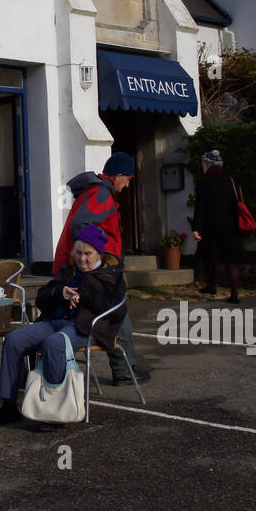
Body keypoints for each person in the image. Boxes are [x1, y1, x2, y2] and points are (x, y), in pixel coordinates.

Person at [0, 224, 128, 427]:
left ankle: (53, 410)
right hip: (55, 322)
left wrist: (85, 296)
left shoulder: (111, 274)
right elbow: (42, 298)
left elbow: (117, 311)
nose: (82, 259)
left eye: (88, 254)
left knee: (55, 343)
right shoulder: (69, 269)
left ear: (99, 254)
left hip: (87, 328)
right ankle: (8, 408)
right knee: (14, 340)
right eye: (79, 253)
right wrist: (60, 293)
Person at [52, 152, 148, 386]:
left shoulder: (97, 192)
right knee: (114, 310)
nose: (128, 184)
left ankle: (122, 368)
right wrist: (98, 258)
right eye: (128, 179)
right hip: (94, 270)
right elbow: (80, 225)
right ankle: (123, 370)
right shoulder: (102, 194)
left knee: (107, 311)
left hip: (86, 267)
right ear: (118, 176)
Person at [192, 149, 243, 302]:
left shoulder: (204, 182)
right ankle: (235, 294)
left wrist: (196, 228)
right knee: (231, 261)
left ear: (207, 165)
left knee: (210, 257)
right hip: (231, 226)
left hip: (211, 226)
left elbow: (201, 207)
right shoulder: (231, 180)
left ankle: (212, 286)